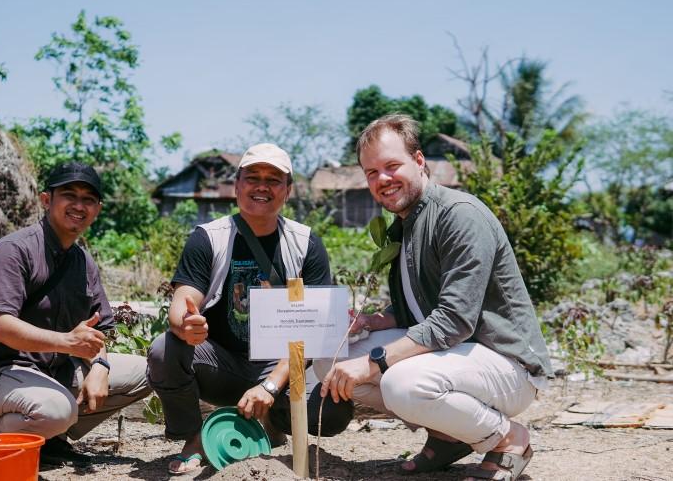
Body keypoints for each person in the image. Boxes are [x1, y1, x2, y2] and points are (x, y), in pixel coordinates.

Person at [316, 115, 553, 481]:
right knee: (329, 360)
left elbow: (454, 319)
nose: (382, 180)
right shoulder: (405, 224)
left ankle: (508, 439)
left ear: (420, 160)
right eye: (371, 172)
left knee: (401, 382)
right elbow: (419, 306)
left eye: (392, 166)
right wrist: (375, 321)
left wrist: (375, 361)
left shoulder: (459, 215)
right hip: (456, 356)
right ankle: (449, 435)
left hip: (507, 365)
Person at [147, 143, 353, 475]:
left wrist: (271, 385)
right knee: (164, 349)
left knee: (333, 409)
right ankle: (194, 437)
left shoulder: (306, 243)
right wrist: (185, 324)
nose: (261, 186)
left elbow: (312, 330)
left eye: (273, 180)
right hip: (222, 364)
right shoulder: (208, 238)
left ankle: (269, 419)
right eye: (252, 177)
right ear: (237, 185)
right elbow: (183, 299)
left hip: (282, 368)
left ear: (287, 190)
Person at [0, 161, 151, 466]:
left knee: (151, 370)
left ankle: (48, 439)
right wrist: (67, 342)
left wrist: (100, 366)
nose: (79, 205)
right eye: (69, 195)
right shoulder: (13, 251)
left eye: (88, 199)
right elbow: (0, 327)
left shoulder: (83, 262)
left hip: (50, 371)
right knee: (57, 410)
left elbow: (100, 329)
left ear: (97, 209)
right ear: (46, 200)